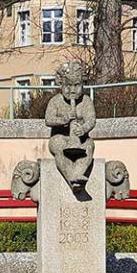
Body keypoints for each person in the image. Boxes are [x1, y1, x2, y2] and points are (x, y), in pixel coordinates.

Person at [44, 61, 96, 190]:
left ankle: (79, 173)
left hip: (81, 139)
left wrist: (83, 129)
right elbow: (48, 119)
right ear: (61, 84)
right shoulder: (56, 101)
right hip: (60, 137)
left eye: (77, 85)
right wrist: (64, 120)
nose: (72, 90)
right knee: (59, 145)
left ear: (82, 85)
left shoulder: (86, 101)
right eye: (68, 86)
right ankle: (71, 177)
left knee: (89, 145)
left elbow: (91, 119)